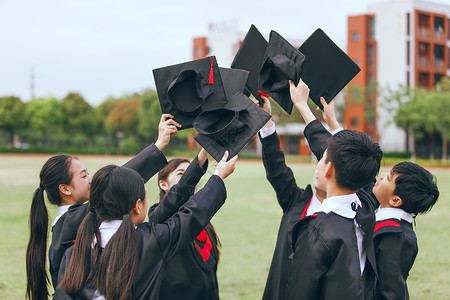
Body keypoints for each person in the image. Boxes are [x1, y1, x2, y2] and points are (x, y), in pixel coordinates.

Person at [25, 114, 180, 300]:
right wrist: (158, 146)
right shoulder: (70, 221)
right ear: (65, 189)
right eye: (83, 176)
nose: (91, 180)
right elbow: (117, 183)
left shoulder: (70, 222)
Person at [55, 151, 237, 300]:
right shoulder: (150, 241)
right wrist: (218, 176)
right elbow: (194, 213)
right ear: (137, 205)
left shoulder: (73, 252)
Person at [284, 79, 382, 300]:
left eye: (322, 158)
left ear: (328, 168)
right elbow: (335, 153)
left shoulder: (317, 230)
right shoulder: (365, 207)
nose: (319, 160)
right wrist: (324, 118)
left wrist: (303, 106)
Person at [254, 80, 345, 300]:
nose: (319, 166)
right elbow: (276, 167)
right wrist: (266, 123)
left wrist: (308, 109)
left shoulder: (351, 215)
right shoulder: (297, 202)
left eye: (324, 161)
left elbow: (346, 161)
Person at [147, 148, 221, 300]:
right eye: (182, 174)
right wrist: (200, 159)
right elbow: (176, 198)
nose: (191, 179)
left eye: (191, 174)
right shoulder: (158, 217)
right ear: (163, 184)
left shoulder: (203, 221)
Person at [372, 162, 439, 299]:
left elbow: (391, 290)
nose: (382, 176)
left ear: (396, 200)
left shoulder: (396, 237)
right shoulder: (379, 211)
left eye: (389, 178)